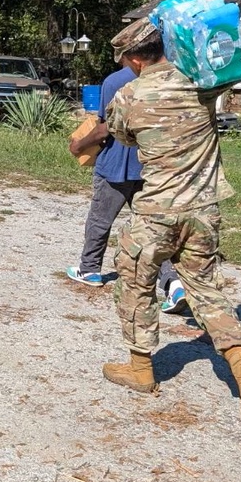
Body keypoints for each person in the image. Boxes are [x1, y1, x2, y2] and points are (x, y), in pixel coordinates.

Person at [101, 16, 241, 427]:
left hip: (155, 213)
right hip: (203, 211)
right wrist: (227, 22)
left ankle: (141, 370)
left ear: (136, 61)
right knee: (204, 288)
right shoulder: (200, 79)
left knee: (135, 281)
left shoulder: (129, 94)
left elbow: (121, 135)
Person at [65, 50, 187, 312]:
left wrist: (79, 146)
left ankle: (90, 270)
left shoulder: (114, 81)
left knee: (100, 219)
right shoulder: (170, 79)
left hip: (116, 165)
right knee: (155, 228)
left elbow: (104, 127)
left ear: (128, 56)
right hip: (151, 167)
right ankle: (173, 284)